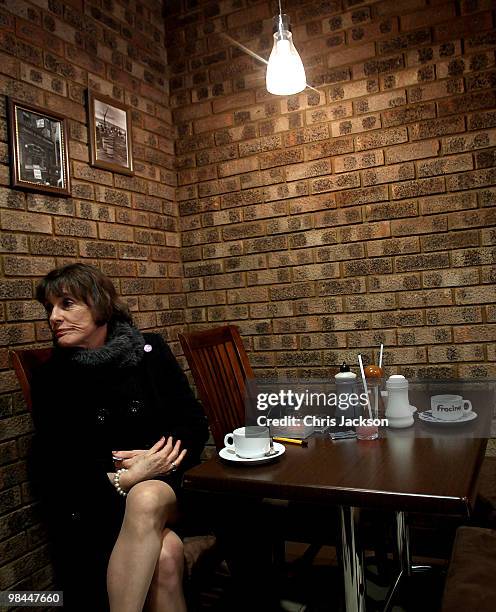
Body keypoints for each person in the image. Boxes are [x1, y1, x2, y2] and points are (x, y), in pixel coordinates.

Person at [30, 263, 209, 612]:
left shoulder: (150, 352)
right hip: (100, 496)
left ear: (99, 306)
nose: (54, 317)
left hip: (172, 481)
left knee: (145, 497)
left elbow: (192, 421)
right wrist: (127, 475)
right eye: (49, 307)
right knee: (167, 555)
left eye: (66, 304)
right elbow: (56, 461)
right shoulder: (53, 377)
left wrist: (158, 459)